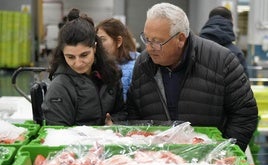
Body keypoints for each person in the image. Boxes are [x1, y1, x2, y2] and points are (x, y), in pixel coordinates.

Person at [126, 2, 258, 152]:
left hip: (209, 163)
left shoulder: (222, 61)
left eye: (157, 41)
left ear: (181, 39)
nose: (149, 48)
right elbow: (134, 111)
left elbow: (244, 113)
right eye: (146, 39)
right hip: (158, 160)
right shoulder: (143, 64)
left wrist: (224, 153)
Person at [42, 8, 126, 126]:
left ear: (95, 48)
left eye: (84, 55)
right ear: (62, 53)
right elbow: (57, 134)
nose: (78, 63)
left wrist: (114, 122)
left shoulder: (111, 75)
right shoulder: (59, 87)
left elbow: (122, 112)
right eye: (70, 57)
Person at [96, 18, 140, 102]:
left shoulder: (137, 66)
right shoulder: (100, 64)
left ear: (119, 41)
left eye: (102, 40)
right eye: (97, 40)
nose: (98, 45)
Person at [199, 6, 248, 76]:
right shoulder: (236, 53)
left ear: (209, 21)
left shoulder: (195, 49)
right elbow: (244, 84)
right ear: (230, 22)